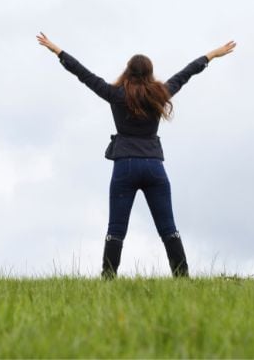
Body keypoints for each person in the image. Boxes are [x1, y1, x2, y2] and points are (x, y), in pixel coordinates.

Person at [36, 32, 236, 278]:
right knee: (168, 229)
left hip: (125, 166)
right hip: (154, 166)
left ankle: (108, 280)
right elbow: (186, 73)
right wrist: (212, 55)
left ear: (128, 71)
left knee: (116, 229)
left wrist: (58, 51)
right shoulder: (159, 94)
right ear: (150, 73)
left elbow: (84, 75)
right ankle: (183, 279)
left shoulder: (115, 95)